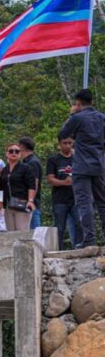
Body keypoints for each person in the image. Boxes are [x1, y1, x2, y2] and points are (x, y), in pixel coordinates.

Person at [60, 89, 105, 248]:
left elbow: (63, 134)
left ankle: (89, 239)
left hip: (81, 167)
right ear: (92, 101)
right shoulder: (102, 118)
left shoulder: (77, 118)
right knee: (102, 202)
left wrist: (72, 115)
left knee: (84, 203)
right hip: (99, 165)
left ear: (78, 103)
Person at [47, 135, 83, 250]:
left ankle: (78, 247)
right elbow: (50, 179)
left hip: (76, 198)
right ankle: (58, 250)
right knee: (60, 228)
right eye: (64, 143)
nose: (67, 145)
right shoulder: (53, 159)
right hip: (60, 200)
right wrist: (64, 182)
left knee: (80, 223)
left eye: (70, 143)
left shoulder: (78, 158)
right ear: (59, 144)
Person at [0, 143, 37, 231]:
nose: (14, 153)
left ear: (20, 154)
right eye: (11, 151)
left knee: (22, 232)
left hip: (22, 204)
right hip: (8, 205)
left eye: (17, 151)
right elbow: (0, 188)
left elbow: (32, 185)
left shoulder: (26, 168)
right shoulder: (4, 170)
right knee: (10, 233)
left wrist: (30, 201)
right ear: (6, 153)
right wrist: (0, 202)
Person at [19, 137, 43, 230]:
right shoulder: (27, 161)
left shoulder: (32, 162)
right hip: (27, 202)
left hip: (31, 204)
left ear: (22, 147)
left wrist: (31, 200)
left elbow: (34, 183)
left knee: (34, 232)